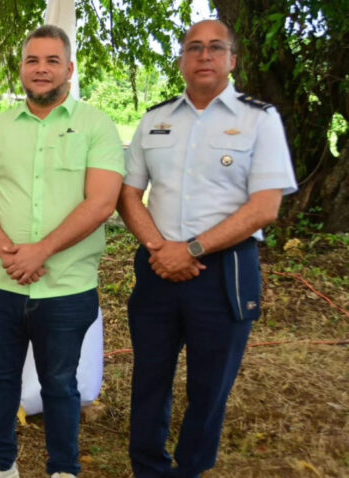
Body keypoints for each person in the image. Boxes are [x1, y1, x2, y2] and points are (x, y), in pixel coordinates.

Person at [117, 19, 298, 478]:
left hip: (224, 272)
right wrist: (161, 248)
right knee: (150, 379)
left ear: (232, 60)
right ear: (181, 60)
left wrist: (191, 248)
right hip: (157, 267)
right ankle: (148, 468)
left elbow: (265, 207)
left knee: (210, 384)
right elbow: (127, 193)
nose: (204, 56)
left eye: (215, 48)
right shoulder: (155, 119)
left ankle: (191, 469)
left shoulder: (259, 119)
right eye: (194, 48)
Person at [0, 25, 124, 478]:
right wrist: (11, 252)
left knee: (59, 384)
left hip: (67, 286)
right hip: (0, 281)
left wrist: (41, 252)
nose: (42, 69)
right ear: (21, 70)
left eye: (52, 61)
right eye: (33, 61)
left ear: (69, 69)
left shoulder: (97, 125)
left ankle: (63, 469)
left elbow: (102, 202)